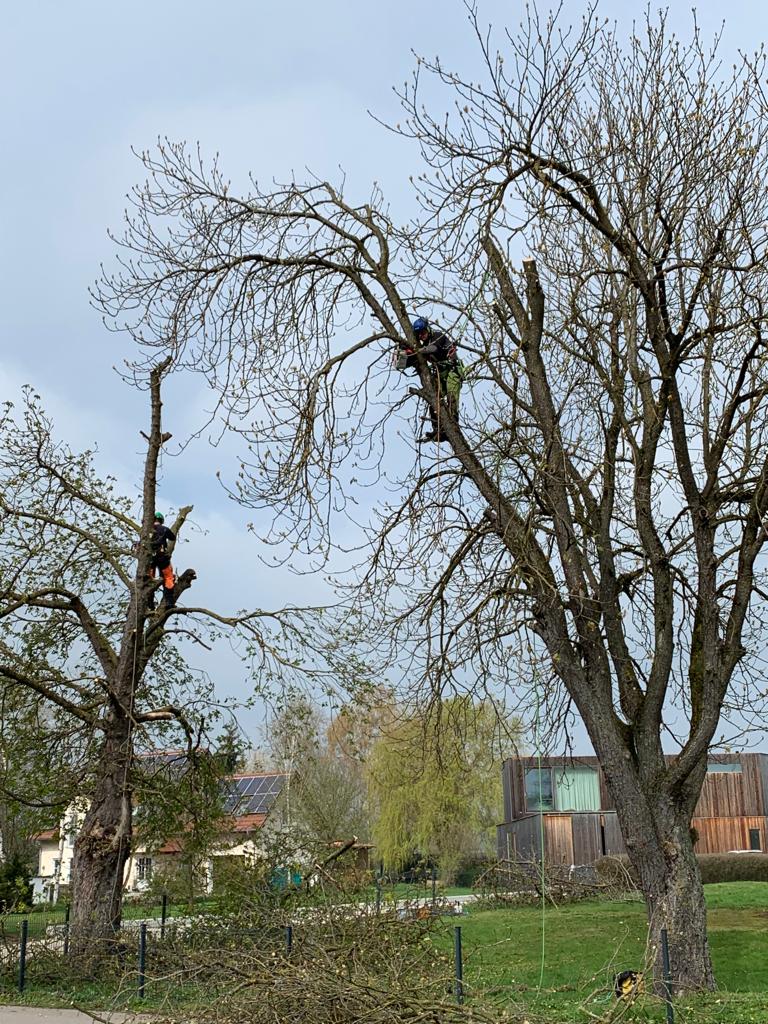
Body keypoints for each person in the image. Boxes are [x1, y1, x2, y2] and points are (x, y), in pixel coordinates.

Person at [397, 316, 465, 442]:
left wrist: (415, 350)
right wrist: (405, 352)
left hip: (453, 371)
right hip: (441, 373)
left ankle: (453, 426)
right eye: (419, 334)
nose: (422, 336)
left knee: (451, 397)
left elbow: (433, 348)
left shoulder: (438, 336)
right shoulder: (423, 345)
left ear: (428, 329)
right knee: (433, 399)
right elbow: (411, 360)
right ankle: (438, 429)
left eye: (423, 332)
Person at [149, 512, 176, 608]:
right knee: (168, 577)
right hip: (161, 557)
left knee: (149, 580)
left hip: (149, 558)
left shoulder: (146, 530)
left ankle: (149, 603)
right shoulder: (164, 529)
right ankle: (169, 602)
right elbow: (172, 537)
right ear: (161, 520)